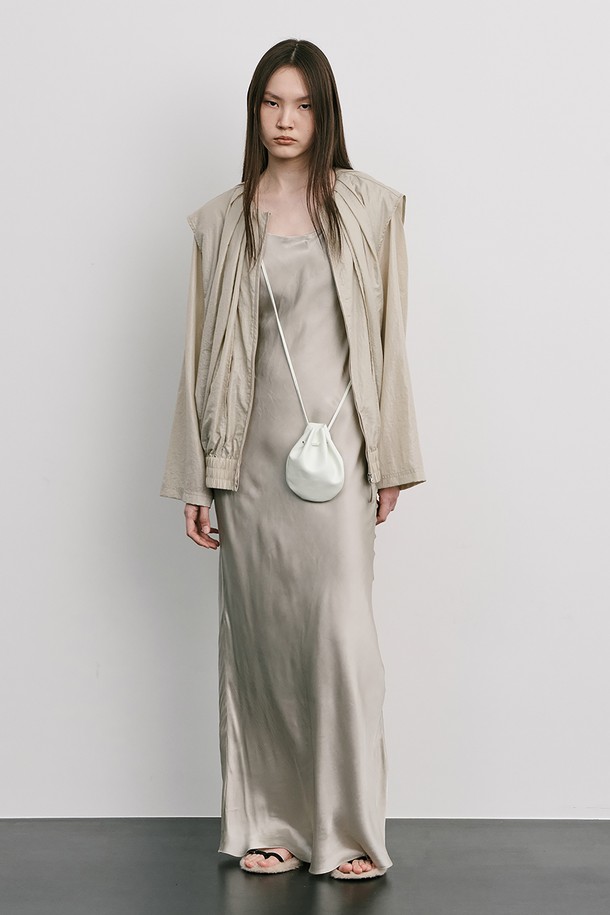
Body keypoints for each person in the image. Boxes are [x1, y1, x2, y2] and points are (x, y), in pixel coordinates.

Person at [160, 38, 426, 880]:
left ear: (324, 113)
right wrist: (199, 476)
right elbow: (197, 356)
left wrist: (389, 457)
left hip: (339, 453)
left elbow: (389, 340)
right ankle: (271, 822)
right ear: (254, 112)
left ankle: (348, 831)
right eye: (272, 103)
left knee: (340, 640)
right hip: (248, 458)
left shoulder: (370, 207)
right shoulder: (220, 221)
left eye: (303, 104)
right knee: (264, 646)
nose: (285, 119)